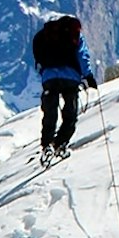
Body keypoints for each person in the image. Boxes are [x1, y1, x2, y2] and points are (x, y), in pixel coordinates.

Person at [31, 14, 94, 153]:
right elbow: (82, 56)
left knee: (50, 111)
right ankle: (60, 144)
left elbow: (38, 58)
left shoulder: (44, 36)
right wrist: (88, 76)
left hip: (49, 78)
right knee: (70, 113)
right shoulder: (75, 35)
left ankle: (46, 144)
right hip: (70, 79)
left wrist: (45, 73)